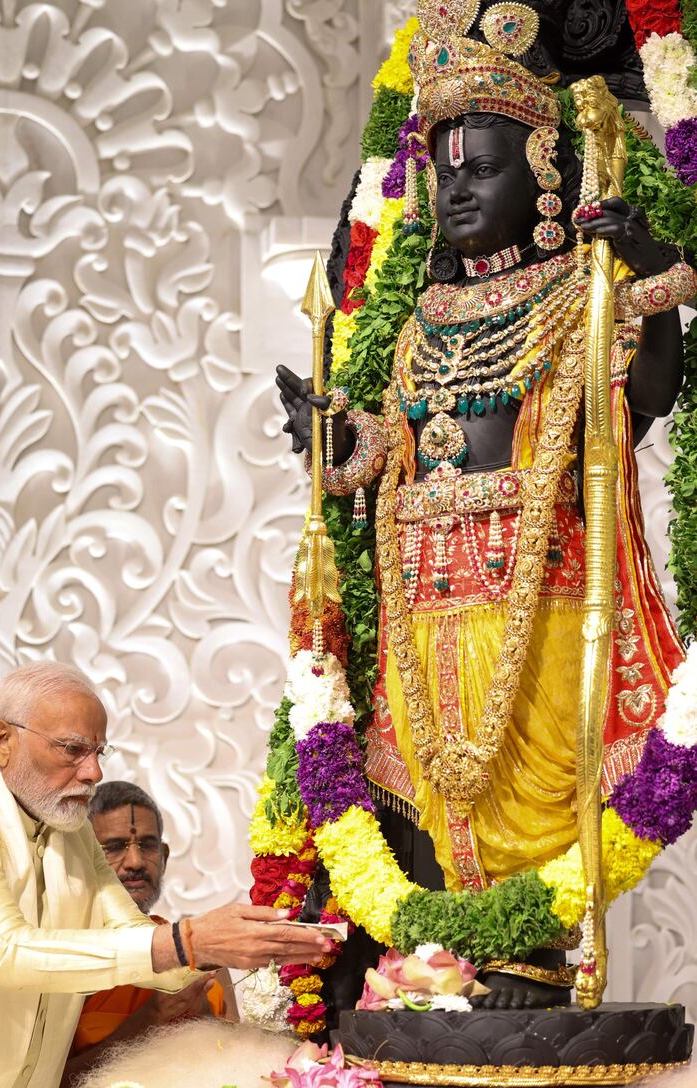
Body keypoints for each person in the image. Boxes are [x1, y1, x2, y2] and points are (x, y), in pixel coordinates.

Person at [276, 1, 695, 1009]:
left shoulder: (577, 292)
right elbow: (391, 451)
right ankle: (451, 962)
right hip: (424, 605)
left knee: (535, 782)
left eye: (482, 165)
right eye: (443, 167)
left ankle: (533, 959)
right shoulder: (415, 317)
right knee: (431, 779)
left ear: (543, 175)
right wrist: (338, 441)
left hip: (540, 603)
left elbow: (642, 393)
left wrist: (647, 281)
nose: (456, 183)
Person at [0, 662, 331, 1087]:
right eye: (72, 749)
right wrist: (188, 941)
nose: (93, 773)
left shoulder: (70, 827)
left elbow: (133, 931)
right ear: (1, 739)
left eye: (98, 752)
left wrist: (225, 946)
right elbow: (3, 950)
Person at [61, 781, 236, 1086]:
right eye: (114, 847)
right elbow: (46, 1080)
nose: (136, 862)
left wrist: (202, 1018)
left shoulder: (201, 956)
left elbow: (238, 1066)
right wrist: (152, 1018)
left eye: (147, 845)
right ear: (85, 859)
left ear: (164, 856)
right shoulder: (65, 959)